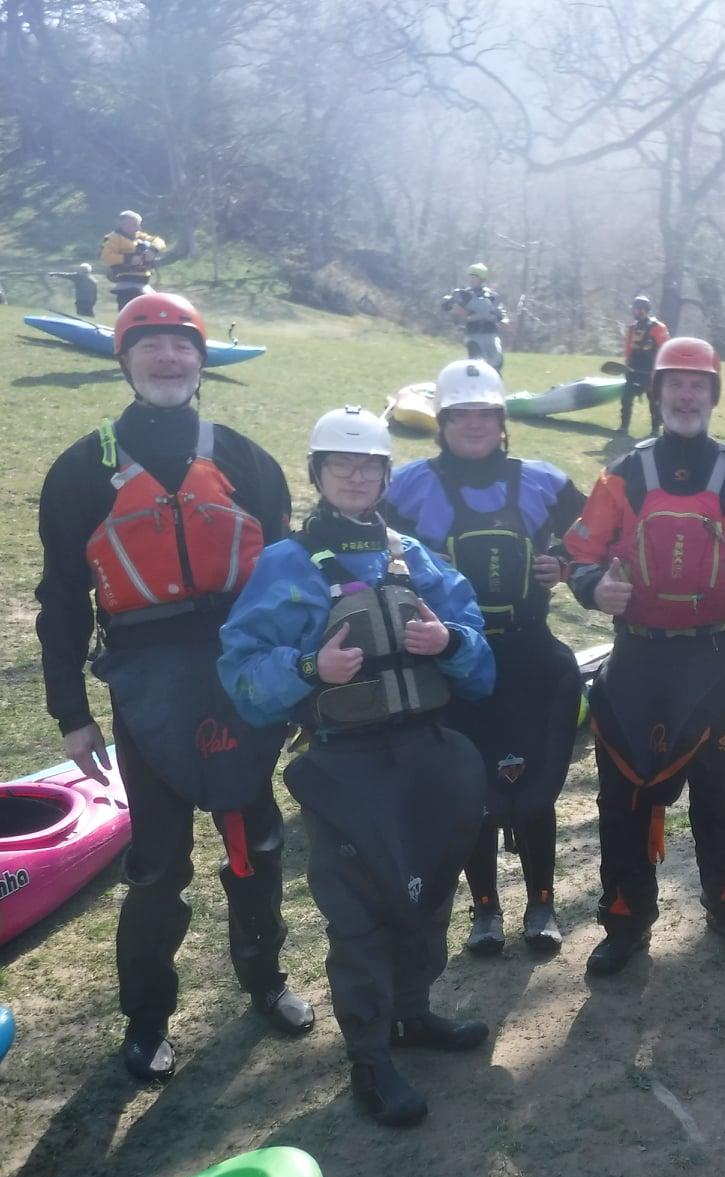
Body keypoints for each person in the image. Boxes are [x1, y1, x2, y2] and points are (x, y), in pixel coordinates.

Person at [34, 292, 312, 1084]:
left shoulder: (245, 457)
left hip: (240, 672)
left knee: (255, 845)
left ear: (201, 362)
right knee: (158, 864)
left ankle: (266, 981)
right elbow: (59, 600)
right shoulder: (82, 469)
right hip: (146, 680)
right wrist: (71, 715)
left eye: (181, 347)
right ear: (123, 361)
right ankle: (148, 1018)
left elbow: (289, 584)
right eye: (149, 346)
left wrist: (294, 683)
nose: (167, 359)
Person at [219, 407, 496, 1128]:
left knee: (430, 894)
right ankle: (371, 1056)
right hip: (347, 768)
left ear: (384, 476)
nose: (354, 475)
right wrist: (312, 666)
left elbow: (481, 664)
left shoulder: (417, 558)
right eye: (339, 464)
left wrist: (451, 642)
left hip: (425, 757)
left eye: (367, 464)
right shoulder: (285, 565)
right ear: (316, 474)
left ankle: (414, 1014)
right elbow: (243, 676)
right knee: (362, 915)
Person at [565, 337, 725, 975]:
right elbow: (581, 554)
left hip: (715, 657)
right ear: (658, 393)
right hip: (637, 659)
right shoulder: (624, 474)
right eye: (675, 383)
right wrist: (594, 587)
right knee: (624, 796)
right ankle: (624, 920)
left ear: (713, 395)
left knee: (720, 794)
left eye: (699, 385)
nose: (687, 395)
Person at [384, 359, 589, 956]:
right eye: (460, 415)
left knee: (535, 783)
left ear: (501, 420)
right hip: (452, 656)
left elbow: (599, 541)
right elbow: (375, 557)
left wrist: (566, 565)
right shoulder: (408, 484)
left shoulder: (544, 481)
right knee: (469, 787)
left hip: (526, 647)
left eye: (485, 414)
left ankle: (542, 904)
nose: (473, 425)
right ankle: (485, 909)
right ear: (442, 422)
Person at [441, 264, 508, 374]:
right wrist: (454, 307)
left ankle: (495, 386)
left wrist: (504, 319)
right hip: (473, 334)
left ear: (482, 279)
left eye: (474, 277)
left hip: (491, 333)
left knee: (497, 361)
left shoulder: (492, 296)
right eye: (470, 277)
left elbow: (500, 312)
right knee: (477, 364)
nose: (471, 280)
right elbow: (446, 306)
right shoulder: (463, 294)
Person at [619, 295, 670, 437]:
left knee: (654, 402)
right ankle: (624, 427)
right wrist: (627, 363)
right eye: (634, 309)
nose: (635, 312)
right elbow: (628, 349)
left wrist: (658, 369)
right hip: (634, 369)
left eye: (638, 309)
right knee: (626, 398)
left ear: (644, 310)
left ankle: (655, 430)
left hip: (651, 371)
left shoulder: (658, 328)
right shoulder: (632, 328)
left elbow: (665, 349)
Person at [99, 210, 166, 308]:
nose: (138, 228)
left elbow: (159, 241)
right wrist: (128, 259)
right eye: (134, 225)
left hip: (144, 282)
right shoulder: (113, 238)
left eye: (138, 225)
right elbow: (106, 257)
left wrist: (153, 250)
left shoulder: (140, 236)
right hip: (127, 284)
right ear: (123, 224)